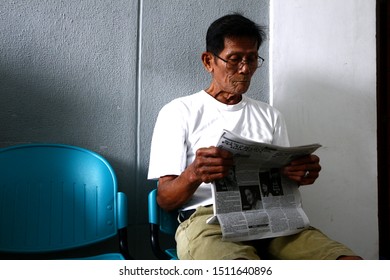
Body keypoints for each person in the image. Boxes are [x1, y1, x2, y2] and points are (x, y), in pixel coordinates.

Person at [148, 13, 362, 260]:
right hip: (208, 223)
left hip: (273, 222)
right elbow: (165, 200)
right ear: (209, 61)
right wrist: (195, 172)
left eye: (252, 59)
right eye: (234, 59)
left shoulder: (269, 115)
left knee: (349, 264)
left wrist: (298, 174)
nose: (245, 69)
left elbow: (285, 186)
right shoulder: (179, 112)